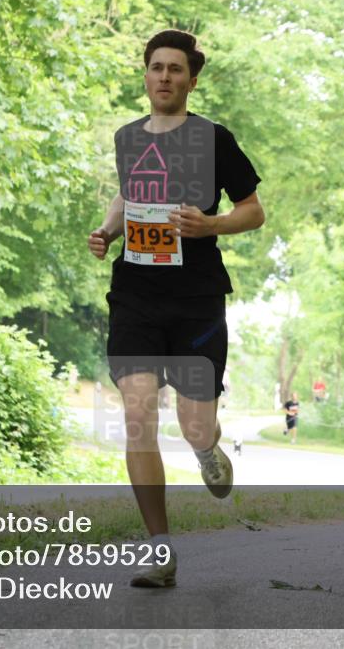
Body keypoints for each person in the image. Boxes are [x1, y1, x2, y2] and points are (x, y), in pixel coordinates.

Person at [87, 30, 265, 586]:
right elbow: (128, 192)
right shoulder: (127, 137)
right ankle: (159, 551)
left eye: (175, 70)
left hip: (196, 300)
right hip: (135, 295)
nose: (164, 77)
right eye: (156, 67)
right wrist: (109, 230)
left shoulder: (214, 138)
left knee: (192, 426)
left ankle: (208, 449)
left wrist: (211, 224)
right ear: (145, 74)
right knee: (137, 415)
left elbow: (253, 211)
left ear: (192, 79)